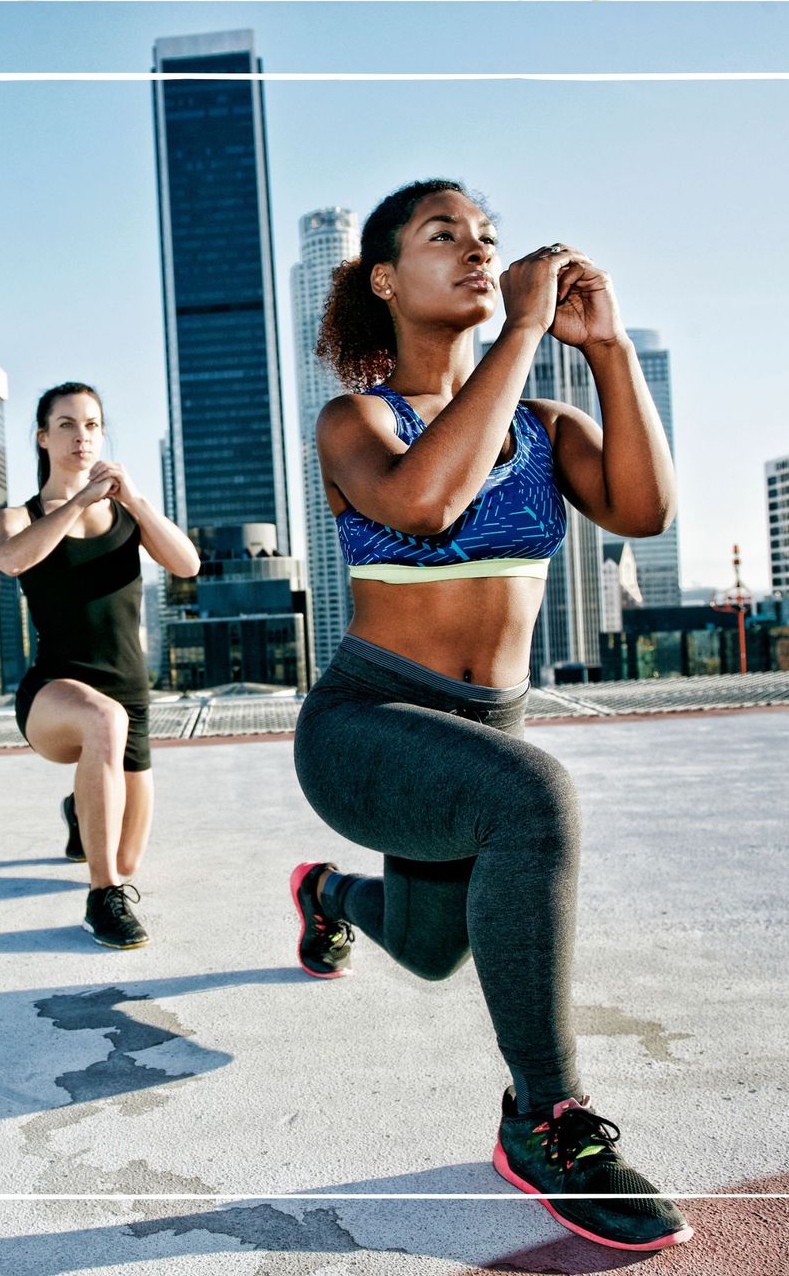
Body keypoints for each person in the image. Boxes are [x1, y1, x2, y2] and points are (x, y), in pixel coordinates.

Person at [291, 179, 692, 1251]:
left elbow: (645, 510)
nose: (477, 252)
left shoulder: (547, 426)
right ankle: (545, 1117)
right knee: (537, 800)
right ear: (384, 279)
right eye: (443, 237)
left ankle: (328, 893)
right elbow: (426, 501)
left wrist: (601, 348)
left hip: (483, 729)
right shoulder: (360, 420)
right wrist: (522, 321)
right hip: (367, 729)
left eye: (489, 240)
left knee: (430, 949)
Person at [0, 383, 199, 948]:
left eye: (91, 424)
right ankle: (102, 898)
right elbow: (12, 560)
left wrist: (136, 502)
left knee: (128, 855)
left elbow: (187, 563)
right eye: (65, 424)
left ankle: (82, 811)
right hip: (53, 695)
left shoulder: (128, 513)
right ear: (42, 437)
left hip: (130, 696)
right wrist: (79, 501)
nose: (81, 435)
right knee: (101, 723)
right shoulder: (18, 517)